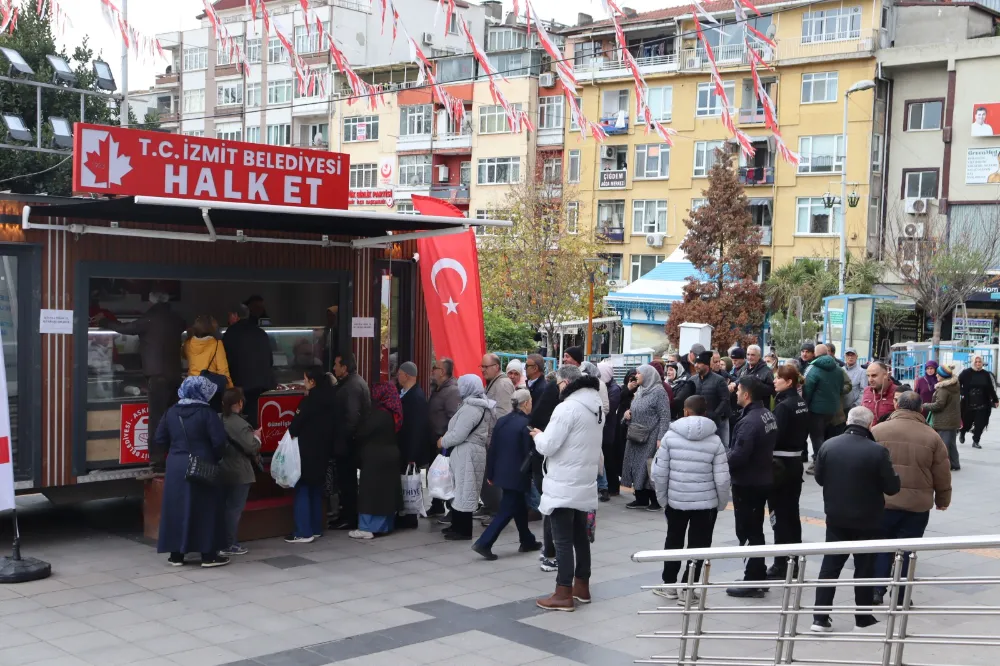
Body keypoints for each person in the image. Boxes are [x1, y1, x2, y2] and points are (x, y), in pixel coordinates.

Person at [811, 407, 900, 633]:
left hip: (836, 518)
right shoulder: (877, 451)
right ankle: (863, 618)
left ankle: (820, 618)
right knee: (865, 568)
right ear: (869, 425)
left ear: (849, 421)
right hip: (868, 520)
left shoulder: (828, 446)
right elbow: (892, 487)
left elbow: (820, 479)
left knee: (829, 568)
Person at [531, 365, 603, 611]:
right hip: (583, 480)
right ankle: (581, 586)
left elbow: (549, 445)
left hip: (564, 482)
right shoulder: (596, 406)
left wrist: (537, 436)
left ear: (566, 383)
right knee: (580, 537)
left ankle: (563, 593)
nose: (558, 389)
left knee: (562, 540)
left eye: (559, 384)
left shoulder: (567, 407)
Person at [871, 391, 952, 605]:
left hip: (884, 502)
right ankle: (900, 596)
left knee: (882, 547)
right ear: (920, 409)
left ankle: (876, 590)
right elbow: (942, 472)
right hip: (917, 505)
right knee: (907, 551)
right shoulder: (932, 436)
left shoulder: (878, 430)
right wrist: (942, 500)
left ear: (897, 406)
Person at [651, 395, 729, 604]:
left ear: (685, 411)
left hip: (676, 501)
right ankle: (688, 587)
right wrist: (721, 503)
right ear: (706, 412)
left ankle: (669, 585)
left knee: (673, 541)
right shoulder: (715, 440)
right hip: (706, 504)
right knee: (700, 544)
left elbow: (659, 472)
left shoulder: (670, 437)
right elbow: (722, 478)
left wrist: (663, 499)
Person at [100, 290, 186, 472]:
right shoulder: (176, 319)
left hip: (157, 376)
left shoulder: (149, 319)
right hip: (175, 375)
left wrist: (103, 322)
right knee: (173, 417)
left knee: (157, 419)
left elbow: (124, 329)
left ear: (151, 302)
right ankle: (175, 454)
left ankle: (156, 460)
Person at [155, 376, 229, 567]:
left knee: (176, 508)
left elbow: (159, 438)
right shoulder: (207, 413)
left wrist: (174, 453)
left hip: (176, 465)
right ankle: (208, 555)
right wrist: (214, 457)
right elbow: (219, 442)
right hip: (202, 463)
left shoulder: (171, 412)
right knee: (206, 508)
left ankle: (176, 555)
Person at [473, 389, 541, 559]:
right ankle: (484, 542)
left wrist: (491, 472)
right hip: (518, 474)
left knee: (518, 507)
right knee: (506, 510)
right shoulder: (526, 425)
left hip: (502, 472)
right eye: (530, 401)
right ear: (525, 403)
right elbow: (529, 452)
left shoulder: (502, 421)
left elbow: (493, 448)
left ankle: (527, 540)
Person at [725, 377, 778, 598]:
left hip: (748, 483)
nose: (736, 394)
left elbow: (739, 455)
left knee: (747, 531)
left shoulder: (748, 422)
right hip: (762, 478)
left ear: (746, 395)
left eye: (738, 390)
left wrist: (721, 458)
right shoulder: (767, 414)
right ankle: (757, 574)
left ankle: (752, 580)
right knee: (755, 529)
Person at [766, 365, 810, 580]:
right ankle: (794, 559)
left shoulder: (784, 406)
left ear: (789, 382)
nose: (775, 381)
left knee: (779, 515)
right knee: (792, 515)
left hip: (781, 465)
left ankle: (780, 564)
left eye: (778, 378)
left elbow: (775, 435)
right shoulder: (801, 402)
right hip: (794, 464)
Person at [439, 375, 494, 540]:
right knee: (463, 489)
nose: (459, 388)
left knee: (465, 490)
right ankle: (457, 525)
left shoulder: (472, 408)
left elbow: (459, 434)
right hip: (470, 452)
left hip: (467, 452)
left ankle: (462, 530)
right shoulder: (478, 405)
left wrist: (443, 441)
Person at [286, 368, 336, 543]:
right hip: (323, 452)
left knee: (302, 489)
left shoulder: (307, 402)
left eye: (306, 379)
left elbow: (294, 427)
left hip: (306, 452)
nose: (304, 382)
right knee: (316, 490)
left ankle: (303, 532)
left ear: (312, 382)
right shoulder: (331, 400)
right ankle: (316, 529)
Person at [351, 383, 404, 540]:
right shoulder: (394, 412)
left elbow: (362, 432)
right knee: (386, 494)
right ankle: (384, 526)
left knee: (371, 493)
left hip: (376, 458)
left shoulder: (378, 414)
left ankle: (367, 527)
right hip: (391, 456)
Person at [329, 353, 371, 531]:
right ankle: (346, 514)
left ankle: (349, 517)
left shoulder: (352, 386)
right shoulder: (352, 383)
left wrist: (344, 439)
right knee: (346, 481)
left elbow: (352, 418)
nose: (333, 368)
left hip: (348, 444)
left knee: (348, 482)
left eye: (336, 365)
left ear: (345, 367)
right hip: (349, 442)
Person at [621, 364, 671, 510]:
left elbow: (664, 416)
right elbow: (634, 409)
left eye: (639, 373)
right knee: (635, 466)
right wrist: (626, 416)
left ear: (648, 375)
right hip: (635, 434)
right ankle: (640, 498)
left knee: (648, 467)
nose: (636, 376)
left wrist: (661, 438)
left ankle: (655, 500)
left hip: (651, 435)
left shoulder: (659, 392)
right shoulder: (640, 390)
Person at [220, 388, 261, 556]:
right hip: (239, 471)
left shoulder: (218, 418)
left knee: (225, 508)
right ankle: (230, 544)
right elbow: (251, 446)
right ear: (239, 403)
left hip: (222, 469)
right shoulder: (239, 423)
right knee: (234, 510)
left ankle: (221, 541)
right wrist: (257, 436)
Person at [222, 304, 275, 427]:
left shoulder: (230, 333)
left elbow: (225, 361)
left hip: (240, 385)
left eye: (229, 316)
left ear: (235, 316)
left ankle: (246, 443)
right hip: (262, 384)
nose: (228, 320)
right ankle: (255, 442)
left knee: (241, 422)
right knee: (256, 418)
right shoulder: (260, 331)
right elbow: (270, 359)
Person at [426, 358, 461, 517]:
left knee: (447, 476)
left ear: (443, 372)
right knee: (435, 474)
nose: (433, 370)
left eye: (436, 368)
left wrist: (446, 438)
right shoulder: (438, 388)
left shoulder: (452, 391)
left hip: (445, 441)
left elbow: (454, 417)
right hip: (434, 439)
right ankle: (436, 504)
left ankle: (452, 509)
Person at [395, 361, 428, 528]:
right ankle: (405, 513)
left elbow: (416, 427)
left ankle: (410, 517)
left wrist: (412, 455)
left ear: (406, 375)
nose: (397, 376)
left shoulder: (415, 397)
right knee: (405, 482)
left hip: (409, 448)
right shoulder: (406, 393)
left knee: (409, 482)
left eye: (399, 373)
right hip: (404, 446)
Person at [482, 354, 514, 520]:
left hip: (496, 439)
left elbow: (503, 414)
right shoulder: (495, 382)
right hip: (490, 438)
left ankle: (497, 511)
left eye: (486, 367)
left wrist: (494, 438)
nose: (483, 370)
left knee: (494, 477)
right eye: (482, 367)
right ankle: (490, 506)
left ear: (496, 366)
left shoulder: (502, 384)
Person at [803, 344, 843, 473]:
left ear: (815, 354)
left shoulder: (812, 368)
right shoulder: (838, 368)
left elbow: (807, 390)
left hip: (816, 409)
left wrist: (804, 407)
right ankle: (829, 462)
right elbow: (841, 388)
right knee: (828, 436)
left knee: (816, 437)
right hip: (833, 408)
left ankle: (819, 464)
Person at [922, 363, 962, 471]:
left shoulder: (943, 389)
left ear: (942, 376)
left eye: (938, 374)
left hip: (944, 421)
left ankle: (942, 467)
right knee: (951, 444)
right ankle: (955, 464)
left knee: (943, 446)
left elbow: (939, 405)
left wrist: (924, 405)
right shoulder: (954, 385)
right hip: (952, 420)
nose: (936, 376)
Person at [691, 351, 731, 446]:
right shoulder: (692, 380)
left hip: (716, 423)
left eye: (699, 363)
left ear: (707, 365)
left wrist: (715, 414)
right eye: (695, 363)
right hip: (697, 423)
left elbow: (725, 399)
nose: (696, 365)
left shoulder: (719, 380)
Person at [959, 354, 998, 448]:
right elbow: (957, 383)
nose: (978, 363)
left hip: (983, 403)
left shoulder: (985, 374)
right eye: (976, 362)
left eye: (979, 362)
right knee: (966, 422)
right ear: (973, 362)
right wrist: (962, 392)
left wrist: (995, 399)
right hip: (969, 403)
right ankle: (963, 432)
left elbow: (990, 388)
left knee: (980, 423)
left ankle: (976, 441)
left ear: (982, 363)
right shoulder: (966, 373)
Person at [185, 315, 234, 391]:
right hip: (209, 387)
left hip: (192, 386)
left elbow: (184, 356)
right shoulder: (217, 344)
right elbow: (223, 370)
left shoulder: (188, 343)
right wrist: (230, 388)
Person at [598, 360, 622, 499]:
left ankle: (613, 487)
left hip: (609, 428)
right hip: (604, 427)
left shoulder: (614, 389)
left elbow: (610, 408)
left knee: (608, 458)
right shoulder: (605, 386)